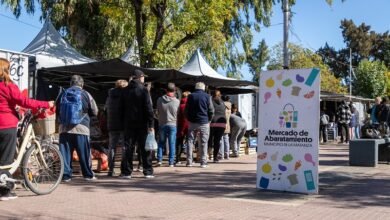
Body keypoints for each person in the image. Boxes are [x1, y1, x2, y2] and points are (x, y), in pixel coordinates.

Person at [0, 58, 54, 201]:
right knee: (6, 158)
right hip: (6, 125)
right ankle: (4, 191)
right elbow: (24, 101)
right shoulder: (8, 85)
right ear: (7, 69)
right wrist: (45, 103)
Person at [57, 75, 98, 182]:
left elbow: (57, 110)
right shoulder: (86, 94)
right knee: (84, 153)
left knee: (65, 154)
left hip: (64, 128)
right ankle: (88, 175)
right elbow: (95, 111)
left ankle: (66, 176)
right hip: (81, 128)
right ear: (82, 84)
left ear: (71, 83)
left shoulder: (62, 94)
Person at [120, 69, 154, 178]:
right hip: (142, 123)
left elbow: (120, 109)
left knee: (128, 148)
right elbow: (149, 109)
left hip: (128, 124)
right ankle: (147, 171)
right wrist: (151, 124)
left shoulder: (124, 90)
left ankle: (126, 172)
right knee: (145, 148)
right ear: (140, 77)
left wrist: (122, 122)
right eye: (143, 77)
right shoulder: (144, 90)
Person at [185, 82, 214, 168]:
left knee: (190, 141)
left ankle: (189, 161)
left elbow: (186, 109)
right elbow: (211, 110)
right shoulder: (207, 96)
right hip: (204, 121)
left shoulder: (190, 96)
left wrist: (188, 119)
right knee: (204, 142)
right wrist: (209, 120)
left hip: (192, 122)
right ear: (203, 88)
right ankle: (203, 162)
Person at [105, 79, 128, 176]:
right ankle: (123, 169)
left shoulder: (109, 96)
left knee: (112, 147)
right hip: (123, 124)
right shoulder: (125, 96)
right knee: (124, 147)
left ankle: (111, 169)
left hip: (112, 124)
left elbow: (105, 110)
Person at [156, 83, 180, 167]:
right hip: (173, 124)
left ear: (166, 90)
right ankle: (171, 162)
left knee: (161, 143)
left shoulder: (159, 100)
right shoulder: (177, 101)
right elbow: (178, 113)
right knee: (172, 143)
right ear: (175, 91)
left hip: (162, 123)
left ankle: (159, 160)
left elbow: (157, 111)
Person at [208, 90, 226, 163]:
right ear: (220, 95)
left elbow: (210, 111)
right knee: (217, 141)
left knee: (209, 139)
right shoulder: (223, 102)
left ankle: (208, 153)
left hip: (213, 122)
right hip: (222, 123)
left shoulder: (211, 101)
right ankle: (215, 158)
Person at [176, 91, 190, 164]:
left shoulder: (179, 105)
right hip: (188, 126)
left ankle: (177, 158)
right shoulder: (189, 105)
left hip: (180, 125)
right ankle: (189, 158)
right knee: (189, 142)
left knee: (179, 143)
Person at [219, 95, 231, 160]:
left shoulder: (223, 106)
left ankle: (221, 155)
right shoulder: (229, 106)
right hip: (228, 124)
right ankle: (227, 155)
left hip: (223, 123)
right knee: (226, 140)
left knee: (221, 140)